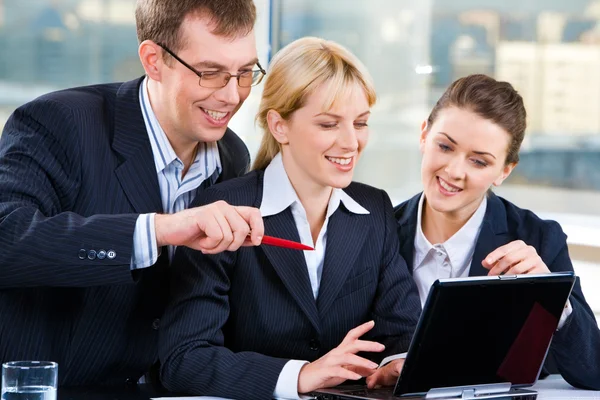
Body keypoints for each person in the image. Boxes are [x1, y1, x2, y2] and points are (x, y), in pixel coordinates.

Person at [0, 0, 265, 386]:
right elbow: (7, 240)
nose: (231, 96)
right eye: (210, 73)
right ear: (153, 60)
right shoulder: (60, 122)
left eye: (244, 73)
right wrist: (156, 230)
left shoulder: (232, 156)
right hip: (51, 387)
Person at [158, 36, 421, 399]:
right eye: (329, 124)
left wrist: (398, 362)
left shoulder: (374, 209)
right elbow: (185, 359)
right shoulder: (223, 209)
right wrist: (300, 376)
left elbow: (401, 329)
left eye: (360, 123)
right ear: (279, 126)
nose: (350, 142)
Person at [393, 74, 600, 390]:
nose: (454, 171)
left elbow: (593, 371)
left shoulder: (538, 239)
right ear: (424, 135)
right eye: (445, 146)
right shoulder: (377, 231)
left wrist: (550, 295)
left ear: (504, 170)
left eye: (478, 161)